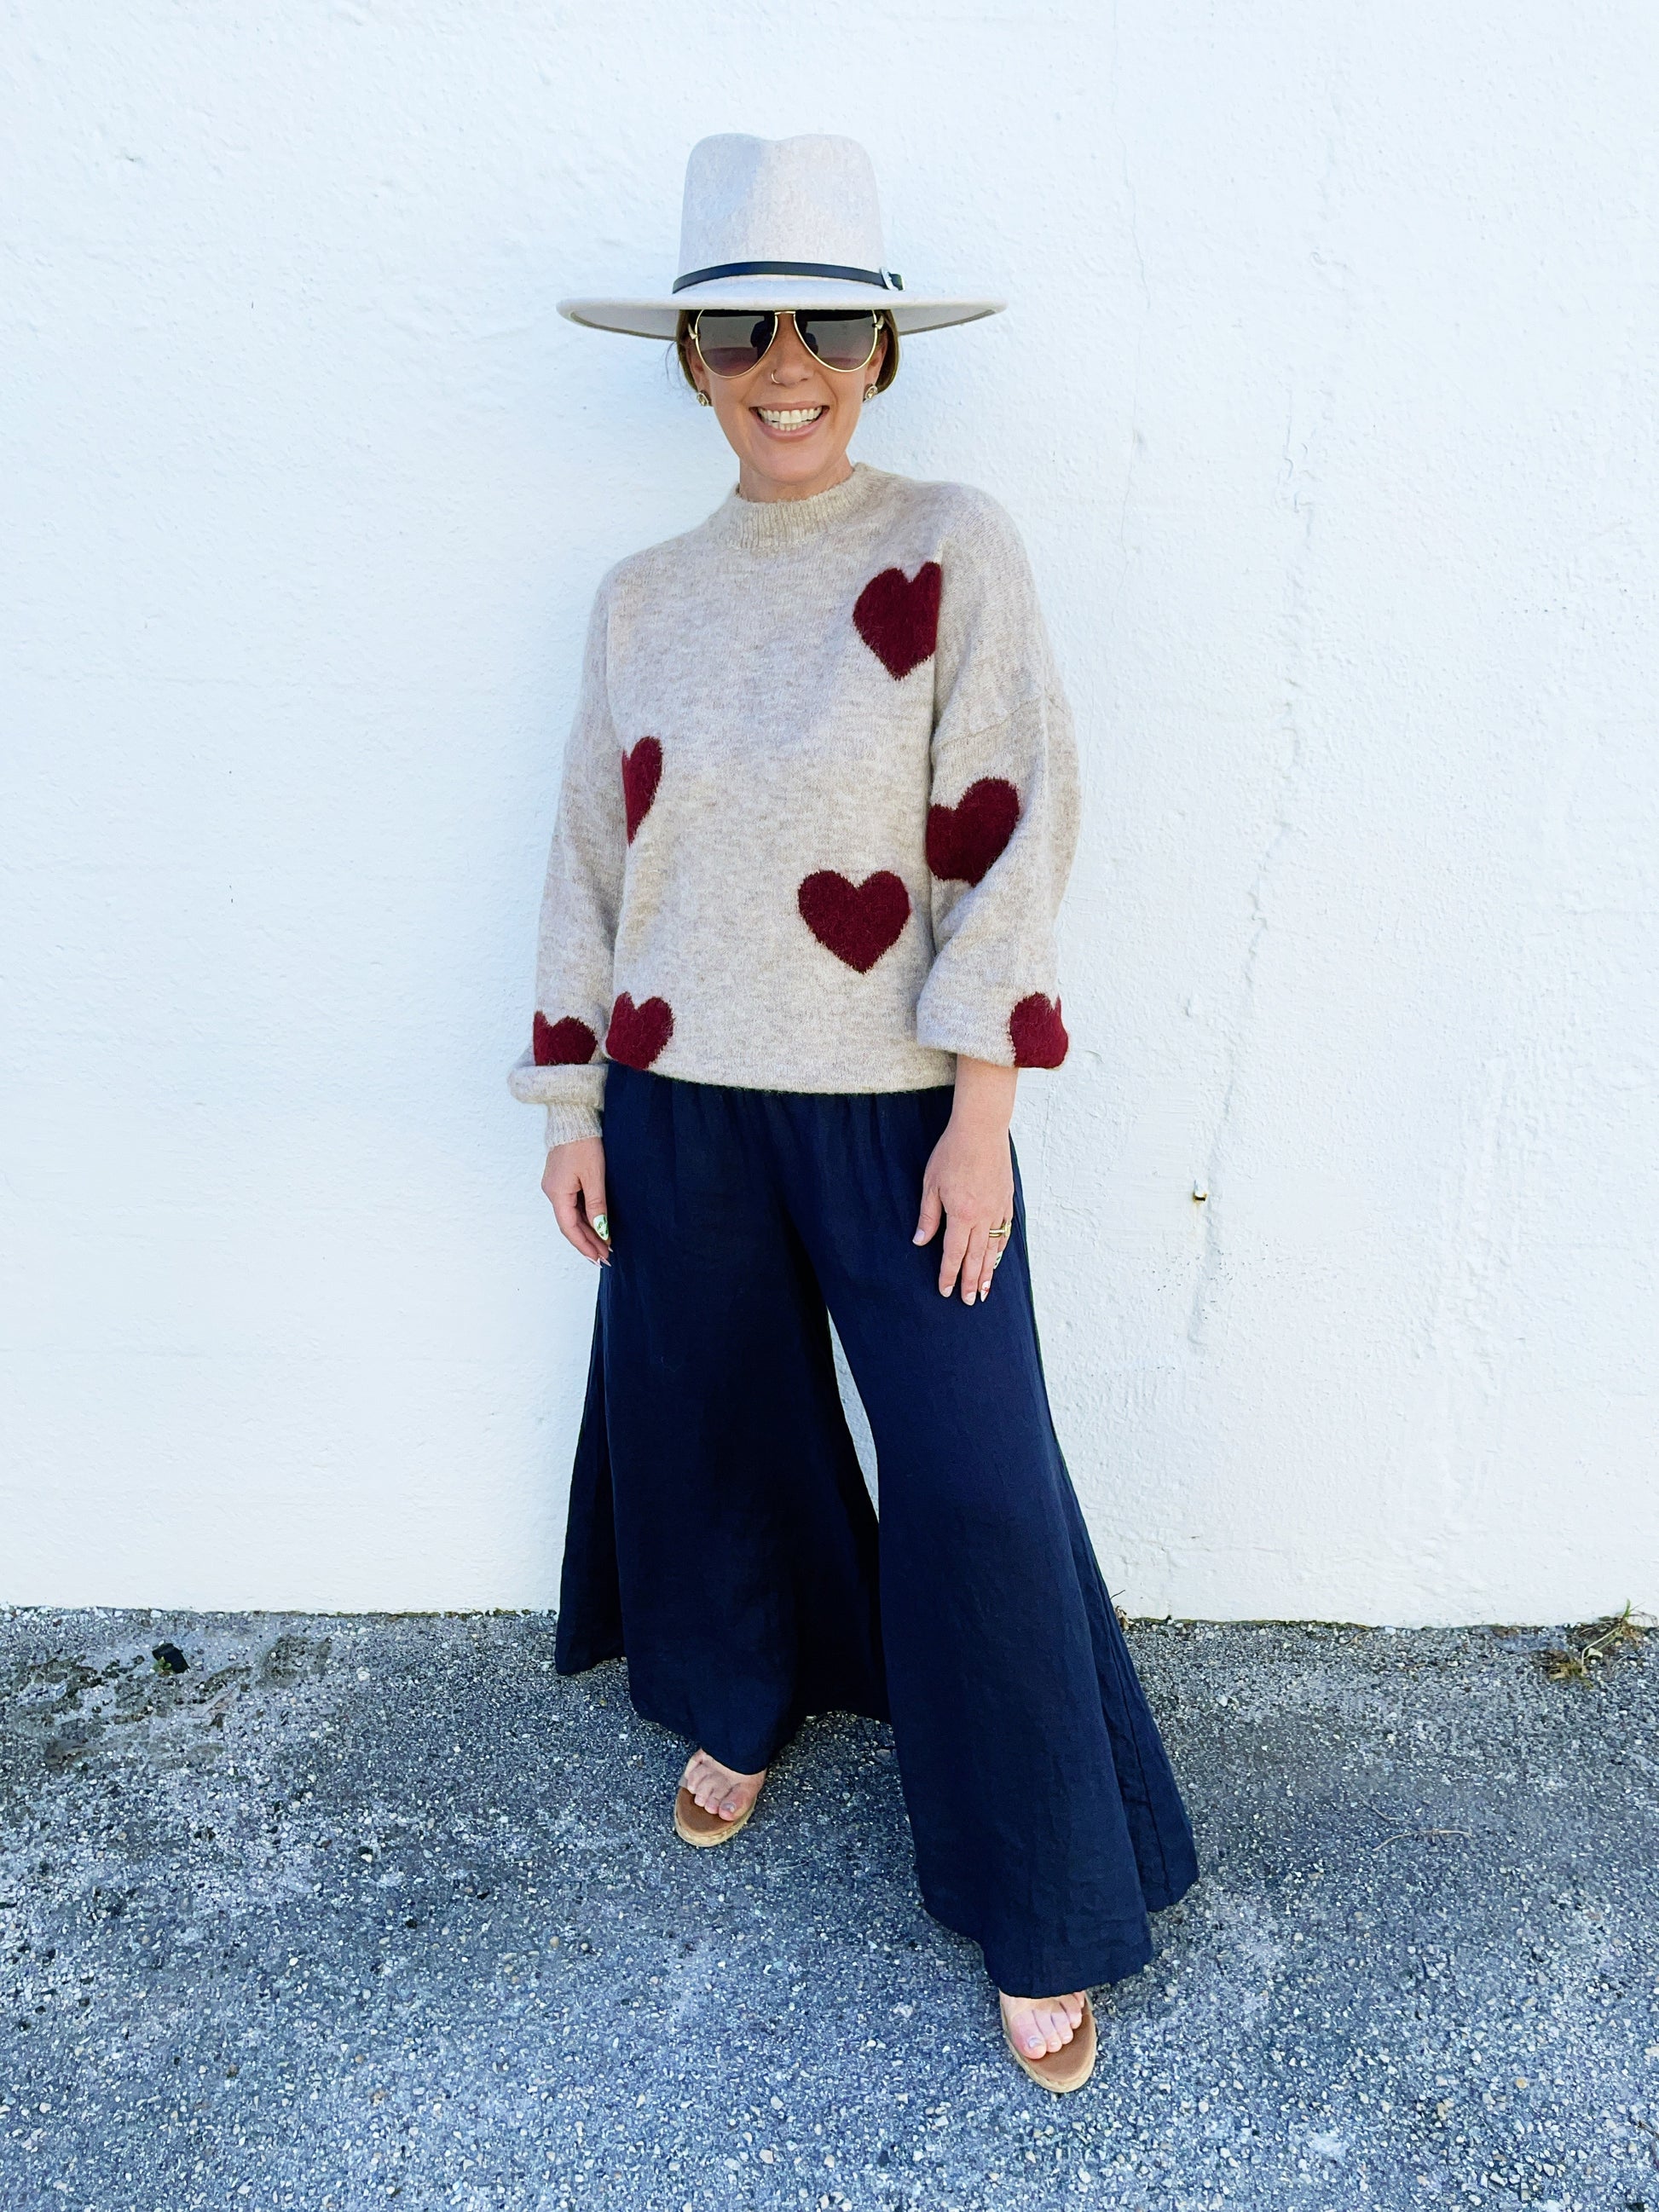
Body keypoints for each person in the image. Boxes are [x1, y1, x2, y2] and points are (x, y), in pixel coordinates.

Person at [509, 132, 1197, 2093]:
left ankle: (1043, 1890)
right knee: (707, 1430)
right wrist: (572, 1098)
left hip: (896, 1111)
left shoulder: (954, 544)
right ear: (692, 361)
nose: (785, 363)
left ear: (881, 353)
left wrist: (983, 1106)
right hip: (678, 1104)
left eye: (826, 325)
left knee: (975, 1480)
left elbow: (1011, 828)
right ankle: (742, 1693)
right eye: (741, 332)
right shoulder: (641, 598)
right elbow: (590, 855)